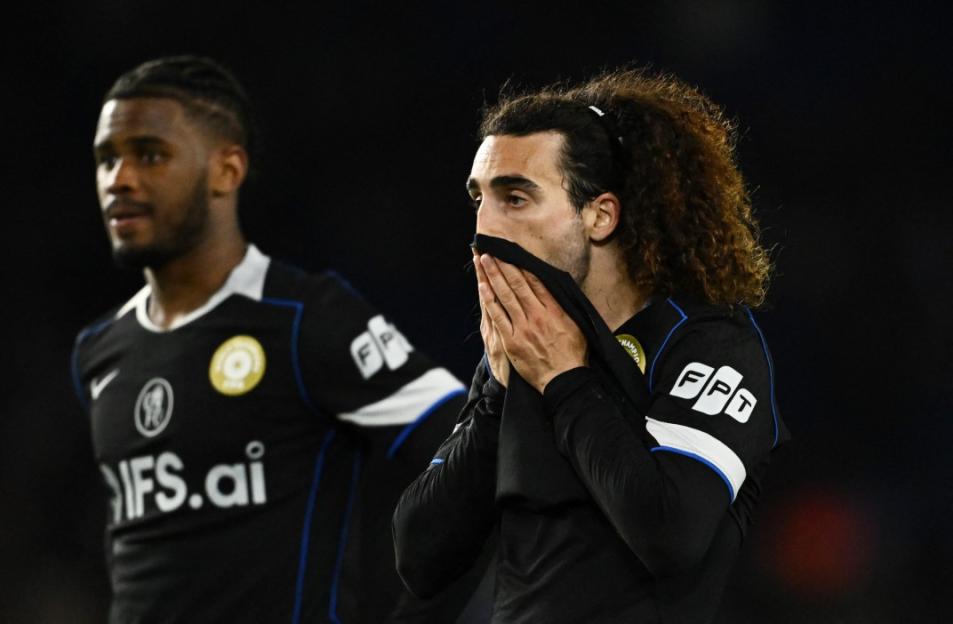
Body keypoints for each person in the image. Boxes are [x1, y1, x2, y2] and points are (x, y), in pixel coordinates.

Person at [70, 55, 473, 623]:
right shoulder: (99, 350)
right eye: (106, 159)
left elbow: (473, 456)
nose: (119, 179)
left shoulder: (306, 317)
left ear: (226, 170)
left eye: (150, 155)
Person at [393, 68, 791, 623]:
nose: (483, 227)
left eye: (515, 198)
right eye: (478, 198)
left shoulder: (707, 344)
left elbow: (670, 532)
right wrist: (494, 402)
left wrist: (566, 381)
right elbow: (420, 558)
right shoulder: (519, 353)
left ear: (599, 216)